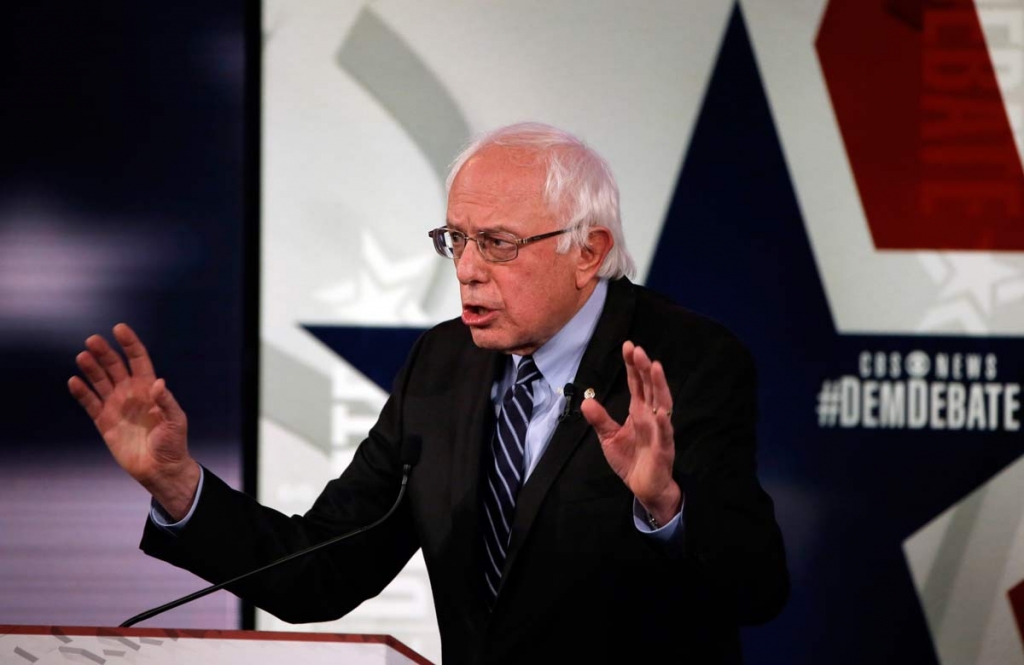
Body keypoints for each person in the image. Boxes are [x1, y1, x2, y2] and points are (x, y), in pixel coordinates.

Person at [69, 122, 788, 664]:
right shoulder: (442, 364)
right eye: (457, 239)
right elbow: (325, 567)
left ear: (588, 251)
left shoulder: (688, 362)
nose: (468, 269)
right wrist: (178, 483)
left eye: (498, 243)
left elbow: (758, 587)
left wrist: (665, 508)